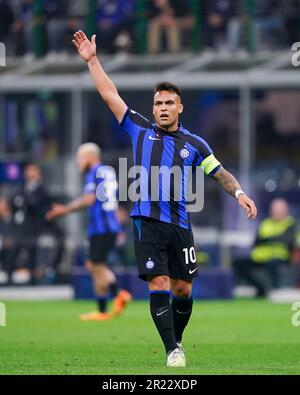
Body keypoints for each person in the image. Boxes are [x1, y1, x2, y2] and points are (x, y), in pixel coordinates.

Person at [72, 30, 257, 367]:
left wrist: (240, 193)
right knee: (157, 282)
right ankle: (172, 349)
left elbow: (220, 173)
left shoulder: (196, 144)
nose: (162, 108)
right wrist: (93, 61)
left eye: (169, 102)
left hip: (180, 225)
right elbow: (109, 95)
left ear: (180, 107)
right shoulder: (138, 129)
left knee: (183, 290)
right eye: (158, 103)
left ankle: (177, 338)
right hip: (146, 223)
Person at [46, 143, 131, 321]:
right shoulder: (107, 171)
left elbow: (90, 199)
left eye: (80, 158)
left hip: (101, 228)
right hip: (109, 226)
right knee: (95, 265)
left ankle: (114, 298)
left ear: (89, 157)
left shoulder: (94, 172)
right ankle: (110, 301)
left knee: (96, 266)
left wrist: (65, 210)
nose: (78, 162)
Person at [234, 198, 296, 297]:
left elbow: (288, 241)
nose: (277, 213)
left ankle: (274, 292)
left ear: (285, 211)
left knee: (272, 264)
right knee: (239, 263)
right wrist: (274, 239)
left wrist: (267, 240)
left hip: (279, 257)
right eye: (275, 210)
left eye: (280, 211)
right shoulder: (266, 223)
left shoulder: (290, 224)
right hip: (260, 257)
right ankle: (260, 288)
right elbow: (256, 241)